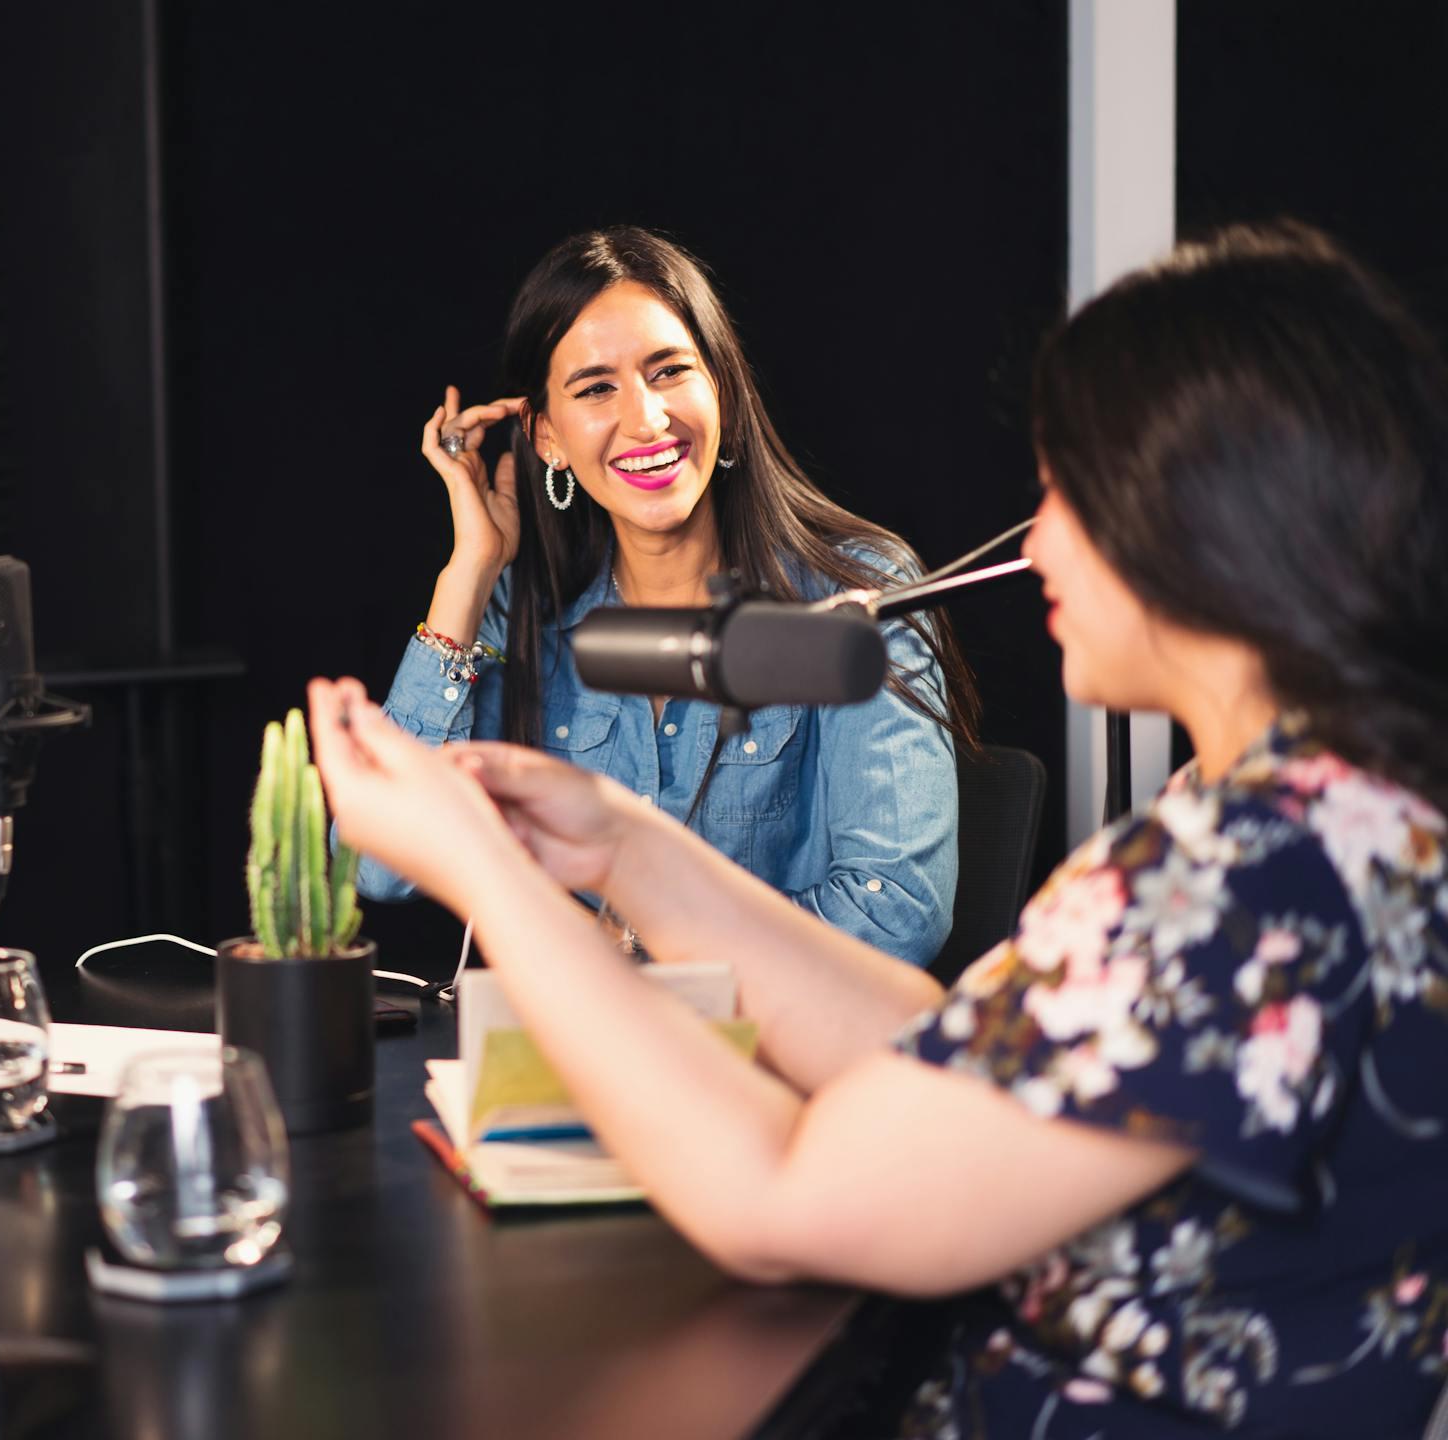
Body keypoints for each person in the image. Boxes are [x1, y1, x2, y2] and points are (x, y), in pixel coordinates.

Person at [309, 222, 1448, 1436]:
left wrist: (496, 872)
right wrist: (622, 849)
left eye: (1069, 493)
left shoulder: (1244, 887)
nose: (1038, 541)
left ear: (1215, 519)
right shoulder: (1329, 825)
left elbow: (781, 1201)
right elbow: (954, 1045)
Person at [369, 226, 977, 966]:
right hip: (584, 1061)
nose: (647, 420)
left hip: (783, 1061)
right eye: (596, 389)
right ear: (547, 437)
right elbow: (379, 866)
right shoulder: (527, 617)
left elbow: (899, 910)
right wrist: (469, 572)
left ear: (721, 387)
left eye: (668, 372)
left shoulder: (857, 591)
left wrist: (636, 944)